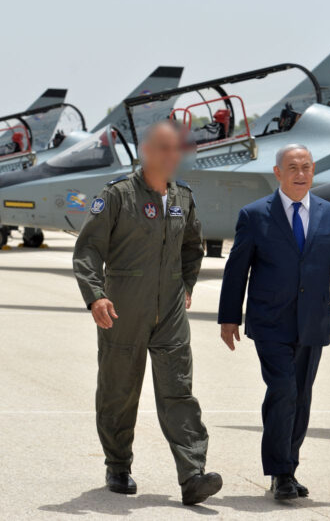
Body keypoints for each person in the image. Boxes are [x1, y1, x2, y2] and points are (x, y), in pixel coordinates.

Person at [73, 121, 222, 506]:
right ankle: (118, 465)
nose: (171, 156)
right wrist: (95, 296)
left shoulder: (182, 197)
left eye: (176, 150)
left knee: (179, 390)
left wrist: (187, 284)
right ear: (145, 151)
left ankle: (193, 474)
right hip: (123, 308)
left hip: (170, 311)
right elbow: (88, 249)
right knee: (119, 391)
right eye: (163, 148)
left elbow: (193, 245)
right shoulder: (117, 195)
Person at [217, 143, 330, 501]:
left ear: (313, 171)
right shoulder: (254, 215)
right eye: (292, 168)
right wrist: (229, 318)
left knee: (300, 396)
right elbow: (236, 270)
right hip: (269, 321)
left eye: (306, 167)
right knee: (284, 389)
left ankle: (288, 468)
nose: (300, 174)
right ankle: (279, 472)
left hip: (312, 322)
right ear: (278, 173)